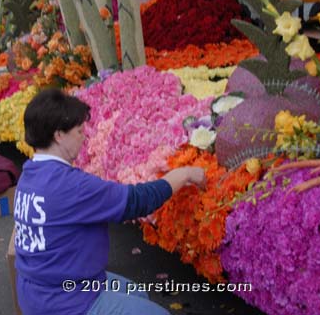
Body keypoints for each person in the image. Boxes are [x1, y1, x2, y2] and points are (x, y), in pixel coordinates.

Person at [14, 89, 206, 315]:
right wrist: (184, 174)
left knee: (135, 293)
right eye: (79, 131)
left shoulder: (30, 173)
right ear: (59, 135)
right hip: (67, 301)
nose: (84, 137)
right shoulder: (70, 185)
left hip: (39, 290)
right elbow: (139, 200)